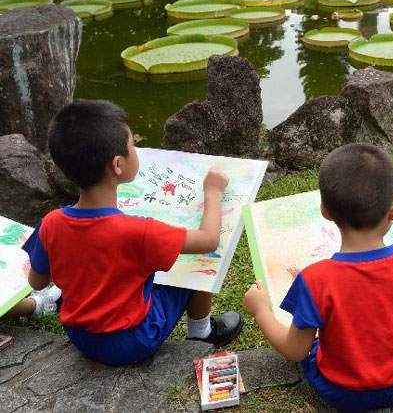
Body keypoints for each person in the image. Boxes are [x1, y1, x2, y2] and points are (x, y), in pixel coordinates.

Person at [242, 143, 393, 412]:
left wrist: (261, 310)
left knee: (313, 347)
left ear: (325, 211)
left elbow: (295, 351)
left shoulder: (314, 280)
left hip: (342, 392)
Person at [22, 100, 243, 365]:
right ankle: (202, 333)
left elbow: (37, 282)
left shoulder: (51, 223)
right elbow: (209, 239)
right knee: (196, 260)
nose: (135, 150)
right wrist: (213, 192)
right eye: (131, 146)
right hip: (133, 340)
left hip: (81, 336)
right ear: (117, 164)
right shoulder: (138, 231)